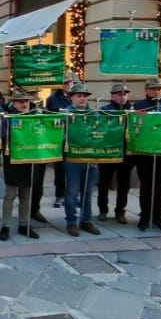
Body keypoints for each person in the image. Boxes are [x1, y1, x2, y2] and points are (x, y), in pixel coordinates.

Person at [132, 78, 161, 232]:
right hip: (145, 153)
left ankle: (157, 217)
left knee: (159, 187)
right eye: (153, 89)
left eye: (159, 89)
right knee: (146, 186)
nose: (157, 91)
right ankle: (145, 217)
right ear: (147, 90)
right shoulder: (139, 106)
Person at [0, 89, 40, 240]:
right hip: (14, 160)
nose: (24, 104)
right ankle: (6, 225)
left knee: (26, 195)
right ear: (14, 103)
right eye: (21, 101)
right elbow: (3, 136)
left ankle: (24, 224)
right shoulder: (8, 117)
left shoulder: (35, 117)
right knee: (10, 194)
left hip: (30, 159)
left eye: (27, 101)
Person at [62, 83, 101, 237]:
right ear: (72, 97)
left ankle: (86, 220)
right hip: (72, 158)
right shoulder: (65, 114)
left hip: (90, 157)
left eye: (85, 96)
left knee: (88, 191)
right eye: (79, 96)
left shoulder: (94, 114)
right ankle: (71, 221)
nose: (82, 99)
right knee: (72, 190)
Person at [97, 83, 133, 224]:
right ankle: (103, 210)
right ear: (112, 96)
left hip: (126, 153)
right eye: (119, 94)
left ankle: (120, 211)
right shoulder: (105, 110)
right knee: (104, 182)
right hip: (108, 151)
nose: (122, 97)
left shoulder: (132, 111)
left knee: (124, 184)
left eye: (124, 94)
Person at [45, 72, 78, 209]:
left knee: (74, 169)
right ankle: (59, 195)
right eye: (66, 83)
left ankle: (73, 196)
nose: (69, 85)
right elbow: (49, 116)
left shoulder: (77, 96)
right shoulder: (53, 98)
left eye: (71, 82)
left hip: (74, 137)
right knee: (59, 169)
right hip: (59, 137)